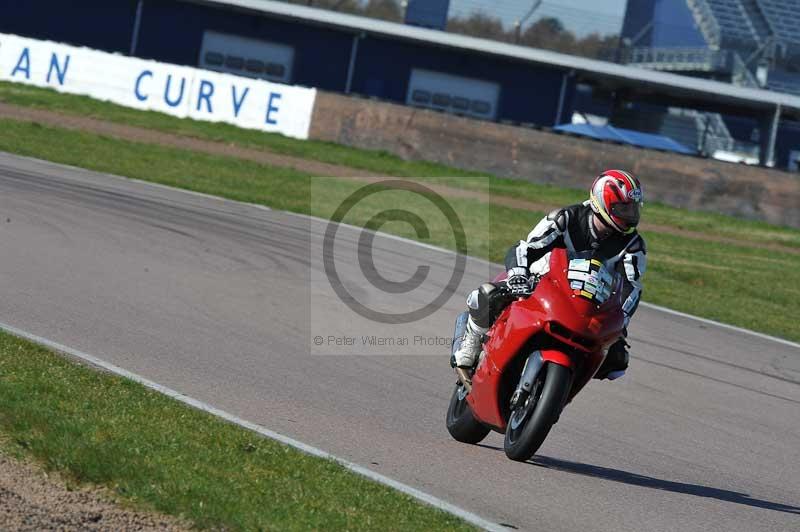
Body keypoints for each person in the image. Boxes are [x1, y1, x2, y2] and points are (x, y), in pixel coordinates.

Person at [452, 169, 646, 380]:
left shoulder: (633, 245)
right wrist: (518, 276)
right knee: (487, 295)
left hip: (591, 305)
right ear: (603, 202)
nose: (630, 215)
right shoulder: (565, 218)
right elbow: (526, 248)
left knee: (617, 361)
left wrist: (621, 320)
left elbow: (631, 287)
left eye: (633, 208)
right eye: (623, 208)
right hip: (543, 284)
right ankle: (470, 343)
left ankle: (565, 384)